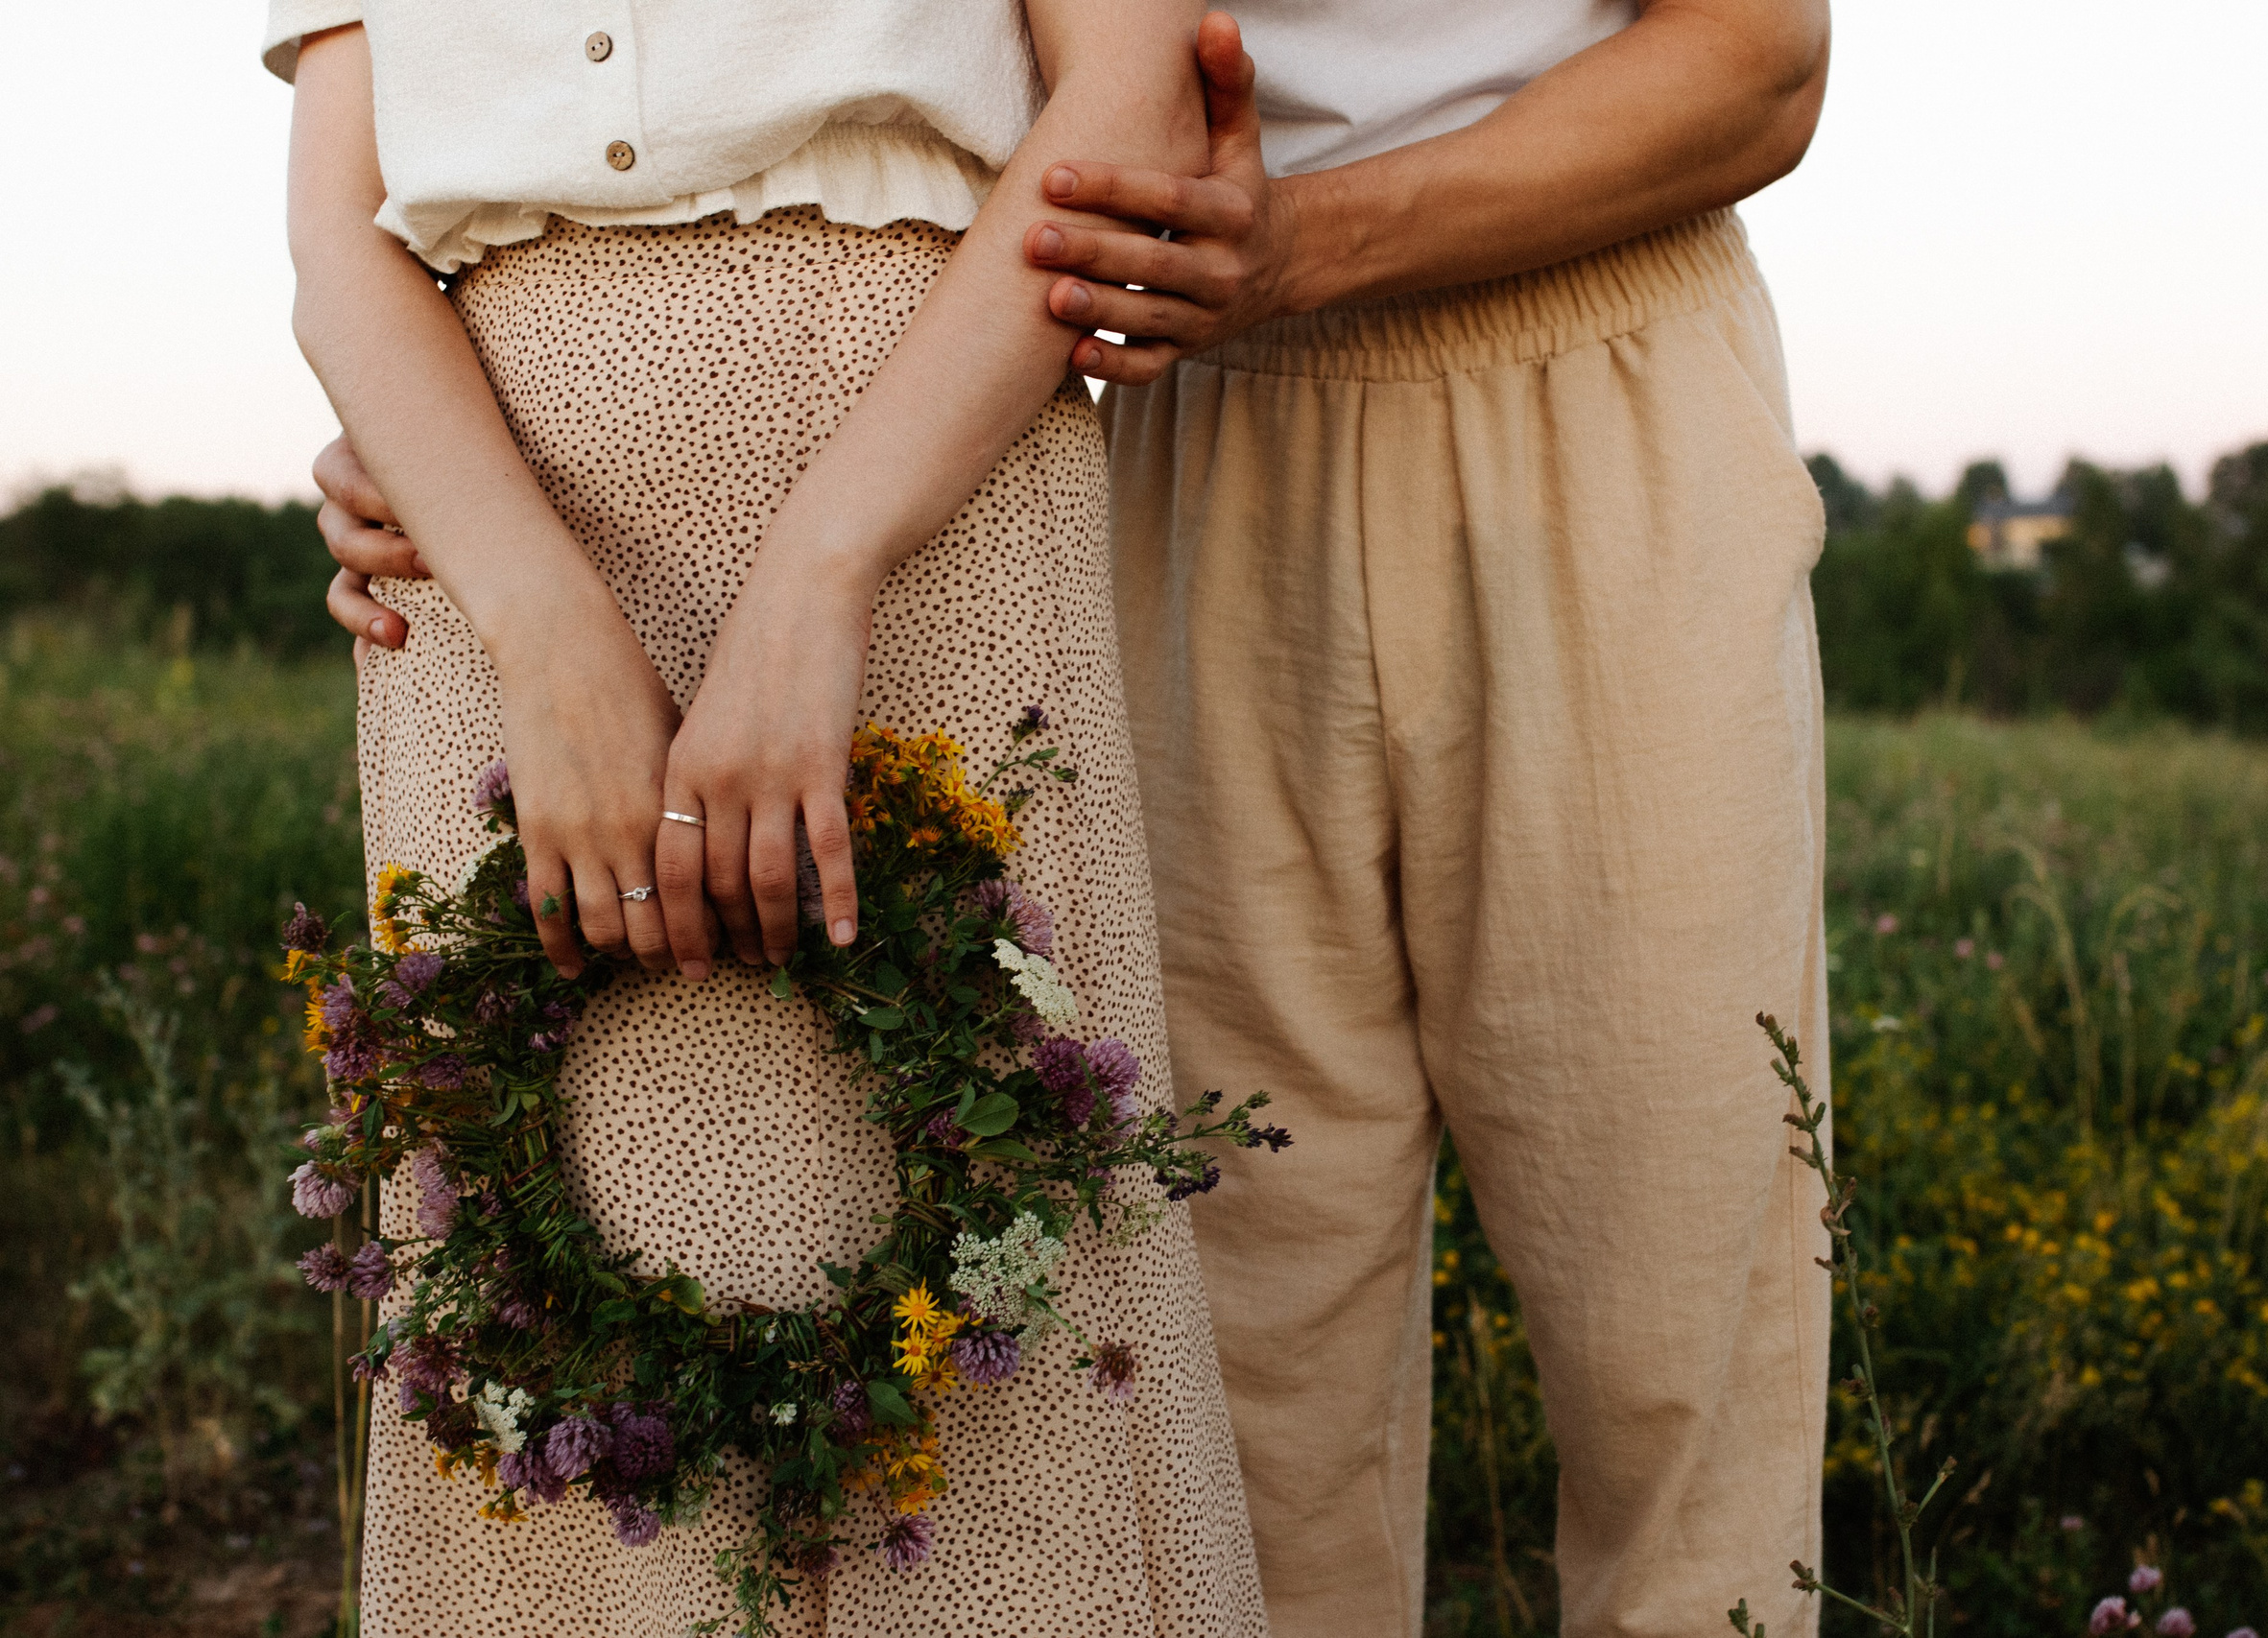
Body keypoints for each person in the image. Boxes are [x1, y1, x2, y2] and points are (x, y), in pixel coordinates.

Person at [315, 3, 1837, 1633]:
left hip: (1573, 365)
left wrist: (1293, 240)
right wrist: (497, 411)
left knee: (1677, 1288)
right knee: (1247, 1331)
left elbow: (1759, 62)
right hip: (1168, 397)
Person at [268, 2, 1268, 1632]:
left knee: (997, 1275)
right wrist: (540, 622)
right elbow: (338, 226)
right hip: (486, 497)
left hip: (930, 449)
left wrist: (823, 572)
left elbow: (1131, 92)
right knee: (535, 1290)